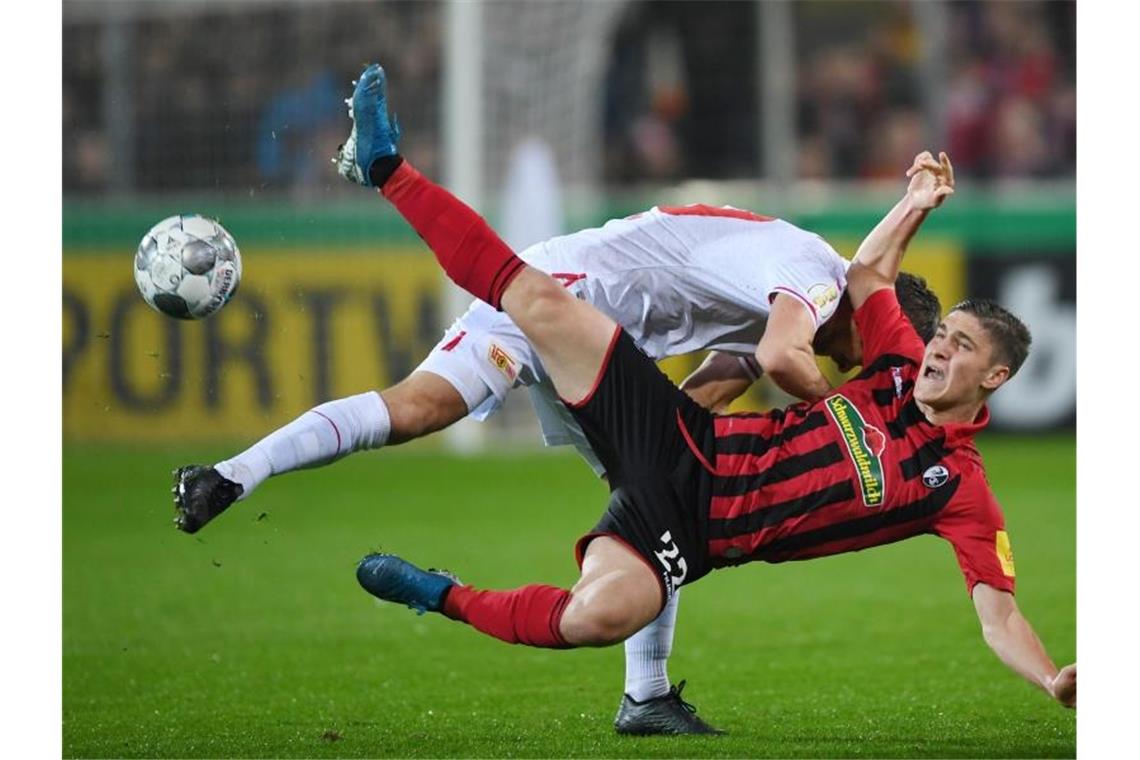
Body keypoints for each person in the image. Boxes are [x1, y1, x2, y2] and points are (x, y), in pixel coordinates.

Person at [171, 73, 941, 735]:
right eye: (860, 352)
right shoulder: (811, 285)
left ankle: (232, 474)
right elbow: (785, 358)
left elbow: (725, 379)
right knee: (451, 416)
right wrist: (846, 414)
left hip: (589, 313)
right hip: (578, 302)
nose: (853, 362)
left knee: (426, 413)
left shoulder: (805, 286)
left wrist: (667, 435)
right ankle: (389, 172)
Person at [335, 64, 1076, 715]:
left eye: (961, 346)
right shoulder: (894, 364)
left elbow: (998, 615)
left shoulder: (962, 494)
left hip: (695, 531)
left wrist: (1050, 680)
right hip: (682, 434)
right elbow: (870, 274)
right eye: (942, 334)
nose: (939, 349)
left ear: (996, 378)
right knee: (537, 300)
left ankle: (442, 595)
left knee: (593, 619)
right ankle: (390, 169)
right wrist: (915, 202)